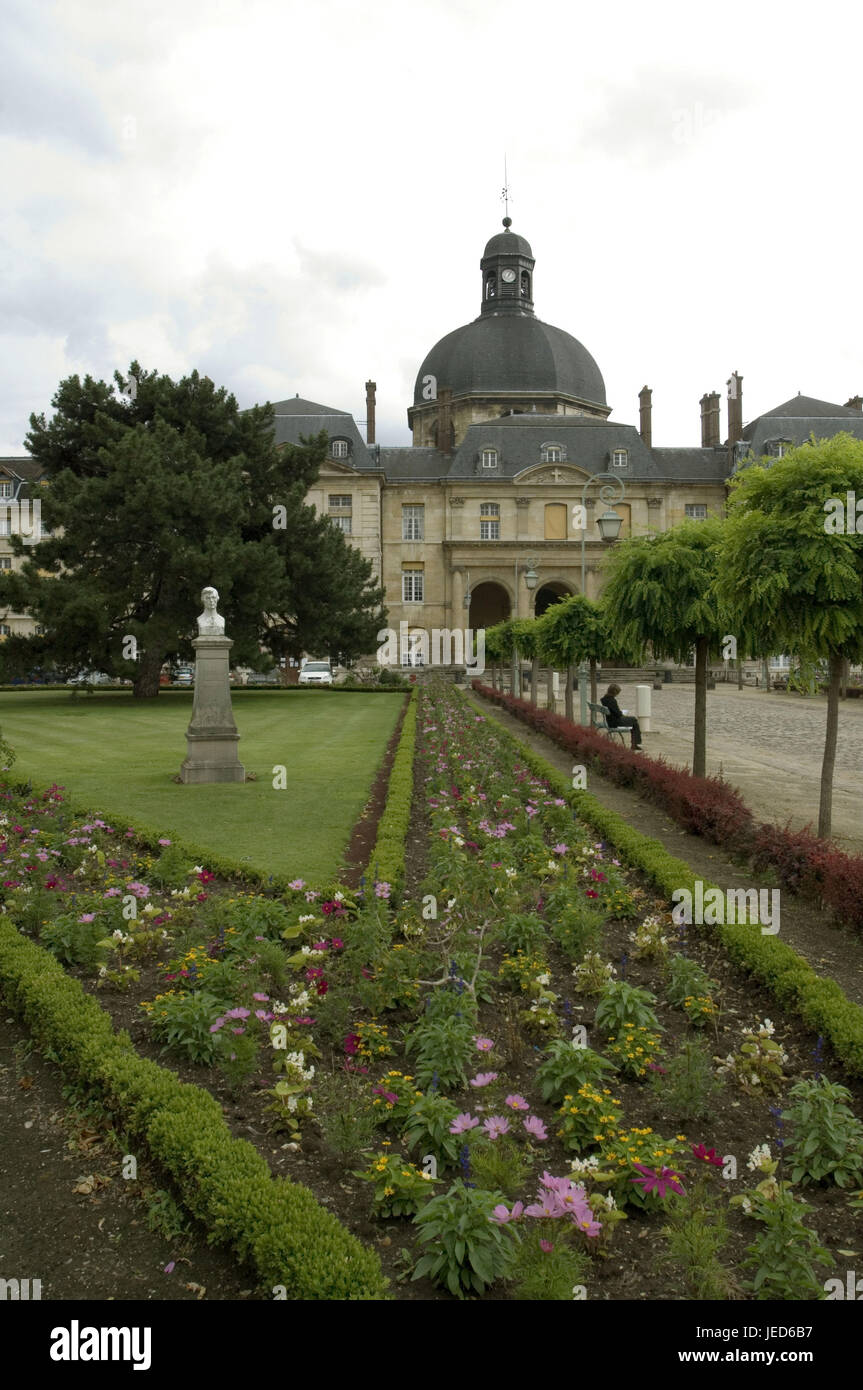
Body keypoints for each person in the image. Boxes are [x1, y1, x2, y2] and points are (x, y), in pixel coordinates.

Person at [600, 683, 643, 750]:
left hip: (610, 721)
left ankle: (635, 744)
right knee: (634, 720)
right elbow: (618, 714)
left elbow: (614, 711)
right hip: (615, 722)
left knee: (633, 721)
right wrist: (622, 713)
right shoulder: (612, 700)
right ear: (614, 692)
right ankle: (635, 744)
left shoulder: (604, 699)